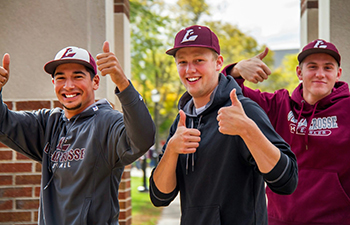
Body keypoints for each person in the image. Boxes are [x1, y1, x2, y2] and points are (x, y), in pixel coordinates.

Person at [149, 25, 298, 225]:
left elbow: (287, 181)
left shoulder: (243, 110)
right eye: (182, 62)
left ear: (218, 62)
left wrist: (248, 131)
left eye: (199, 60)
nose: (189, 69)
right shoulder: (183, 120)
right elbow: (160, 196)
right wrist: (172, 151)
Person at [0, 41, 155, 224]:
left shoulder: (108, 122)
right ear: (53, 83)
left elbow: (143, 138)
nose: (68, 85)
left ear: (95, 82)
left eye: (77, 76)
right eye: (60, 78)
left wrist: (122, 83)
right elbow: (4, 123)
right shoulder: (47, 123)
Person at [223, 39, 350, 224]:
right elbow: (228, 95)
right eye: (312, 67)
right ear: (300, 72)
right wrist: (237, 70)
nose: (320, 74)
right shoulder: (279, 105)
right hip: (279, 219)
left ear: (338, 74)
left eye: (328, 68)